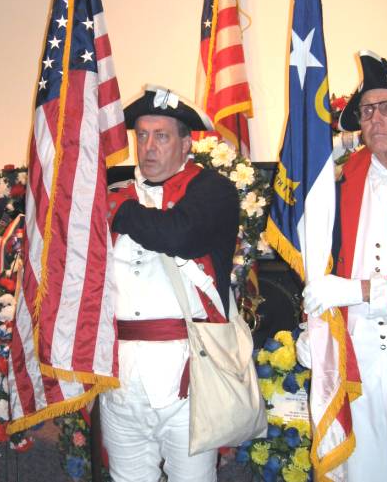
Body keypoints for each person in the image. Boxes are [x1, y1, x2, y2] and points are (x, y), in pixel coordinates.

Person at [300, 51, 387, 481]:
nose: (376, 119)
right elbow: (321, 265)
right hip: (354, 358)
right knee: (364, 472)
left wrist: (359, 291)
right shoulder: (338, 187)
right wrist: (314, 327)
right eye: (368, 109)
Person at [100, 85, 239, 481]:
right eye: (141, 135)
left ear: (185, 143)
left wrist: (120, 211)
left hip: (189, 374)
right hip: (122, 376)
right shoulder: (117, 194)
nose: (148, 147)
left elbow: (179, 236)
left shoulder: (212, 191)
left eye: (161, 136)